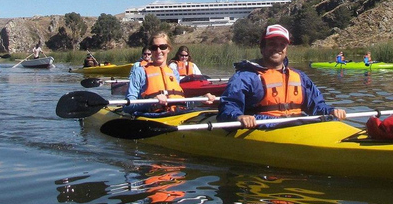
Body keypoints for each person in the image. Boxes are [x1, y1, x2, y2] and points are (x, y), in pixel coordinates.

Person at [217, 24, 346, 127]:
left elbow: (318, 106)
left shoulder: (300, 77)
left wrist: (331, 111)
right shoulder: (245, 77)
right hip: (263, 125)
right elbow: (228, 106)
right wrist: (238, 117)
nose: (277, 48)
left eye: (282, 45)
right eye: (272, 44)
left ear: (286, 49)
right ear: (262, 48)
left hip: (299, 124)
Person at [124, 33, 214, 115]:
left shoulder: (174, 73)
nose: (158, 51)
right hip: (153, 116)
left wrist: (201, 99)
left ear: (169, 49)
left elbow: (181, 101)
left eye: (163, 47)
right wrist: (152, 102)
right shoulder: (140, 71)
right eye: (154, 48)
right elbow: (127, 107)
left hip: (177, 114)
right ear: (151, 50)